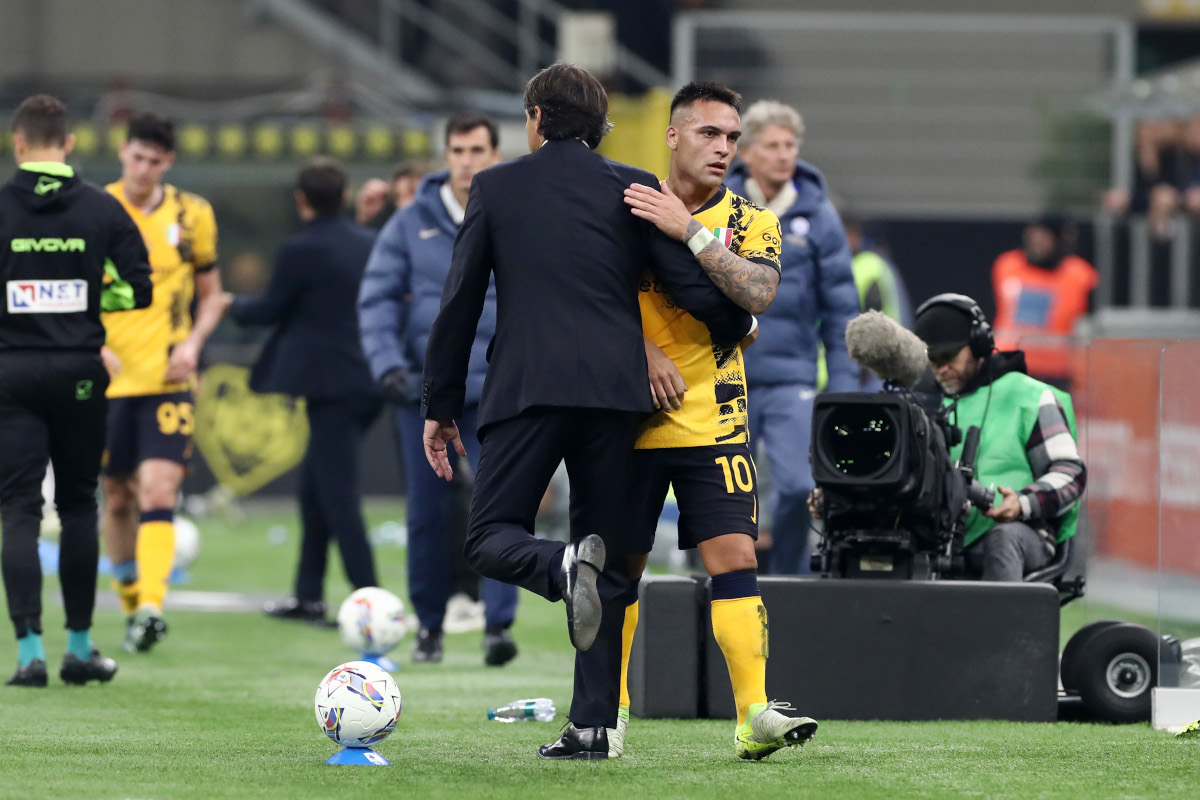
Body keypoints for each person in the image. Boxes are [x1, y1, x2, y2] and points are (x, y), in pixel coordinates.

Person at [421, 63, 755, 760]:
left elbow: (459, 306)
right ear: (601, 127)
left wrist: (440, 406)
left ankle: (563, 568)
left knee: (490, 538)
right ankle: (594, 727)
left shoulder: (496, 188)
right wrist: (734, 321)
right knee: (606, 569)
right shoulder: (631, 189)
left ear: (535, 119)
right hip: (614, 400)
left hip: (529, 389)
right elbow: (697, 292)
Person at [613, 81, 818, 760]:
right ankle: (608, 711)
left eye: (732, 138)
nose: (723, 148)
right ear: (672, 135)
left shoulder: (754, 221)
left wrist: (692, 231)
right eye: (709, 134)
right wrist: (640, 351)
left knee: (734, 559)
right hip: (629, 419)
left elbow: (759, 291)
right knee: (620, 567)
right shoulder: (629, 204)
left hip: (717, 419)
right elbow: (587, 296)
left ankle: (752, 715)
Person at [357, 112, 520, 666]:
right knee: (426, 514)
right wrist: (387, 367)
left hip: (498, 387)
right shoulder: (408, 222)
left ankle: (498, 625)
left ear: (494, 155)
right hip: (427, 393)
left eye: (477, 149)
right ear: (446, 155)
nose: (468, 160)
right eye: (458, 149)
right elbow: (377, 299)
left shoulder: (514, 211)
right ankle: (429, 627)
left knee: (500, 508)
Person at [0, 94, 153, 686]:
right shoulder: (102, 209)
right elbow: (138, 290)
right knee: (78, 505)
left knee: (18, 510)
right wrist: (89, 295)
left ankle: (30, 653)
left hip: (12, 371)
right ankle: (82, 648)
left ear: (18, 144)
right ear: (67, 144)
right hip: (81, 371)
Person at [229, 157, 383, 625]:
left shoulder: (300, 249)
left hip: (330, 386)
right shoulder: (371, 243)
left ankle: (371, 602)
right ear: (345, 196)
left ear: (301, 200)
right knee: (315, 491)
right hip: (370, 379)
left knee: (336, 494)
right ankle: (308, 595)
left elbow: (271, 307)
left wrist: (228, 303)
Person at [100, 112, 227, 654]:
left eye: (155, 160)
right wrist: (89, 343)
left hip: (169, 379)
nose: (145, 168)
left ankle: (152, 605)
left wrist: (193, 343)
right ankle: (131, 602)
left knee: (158, 490)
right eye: (137, 157)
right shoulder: (96, 210)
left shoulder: (193, 213)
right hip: (104, 381)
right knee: (117, 497)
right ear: (123, 153)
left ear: (167, 162)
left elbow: (213, 293)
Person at [725, 100, 860, 575]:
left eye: (791, 145)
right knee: (720, 497)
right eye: (773, 145)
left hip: (791, 379)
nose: (785, 155)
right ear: (748, 153)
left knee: (800, 487)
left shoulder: (818, 216)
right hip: (724, 373)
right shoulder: (716, 207)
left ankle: (785, 578)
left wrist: (843, 388)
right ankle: (719, 584)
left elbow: (842, 310)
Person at [912, 293, 1086, 582]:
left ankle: (1005, 628)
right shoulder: (917, 405)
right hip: (932, 540)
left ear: (980, 344)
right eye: (932, 359)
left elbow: (1071, 473)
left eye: (950, 357)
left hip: (1018, 535)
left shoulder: (1029, 397)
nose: (941, 369)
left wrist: (1022, 502)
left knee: (1002, 540)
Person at [990, 215, 1098, 393]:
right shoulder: (1007, 266)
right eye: (1033, 237)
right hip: (1008, 365)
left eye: (1043, 238)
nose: (1036, 244)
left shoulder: (1080, 275)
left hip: (1055, 370)